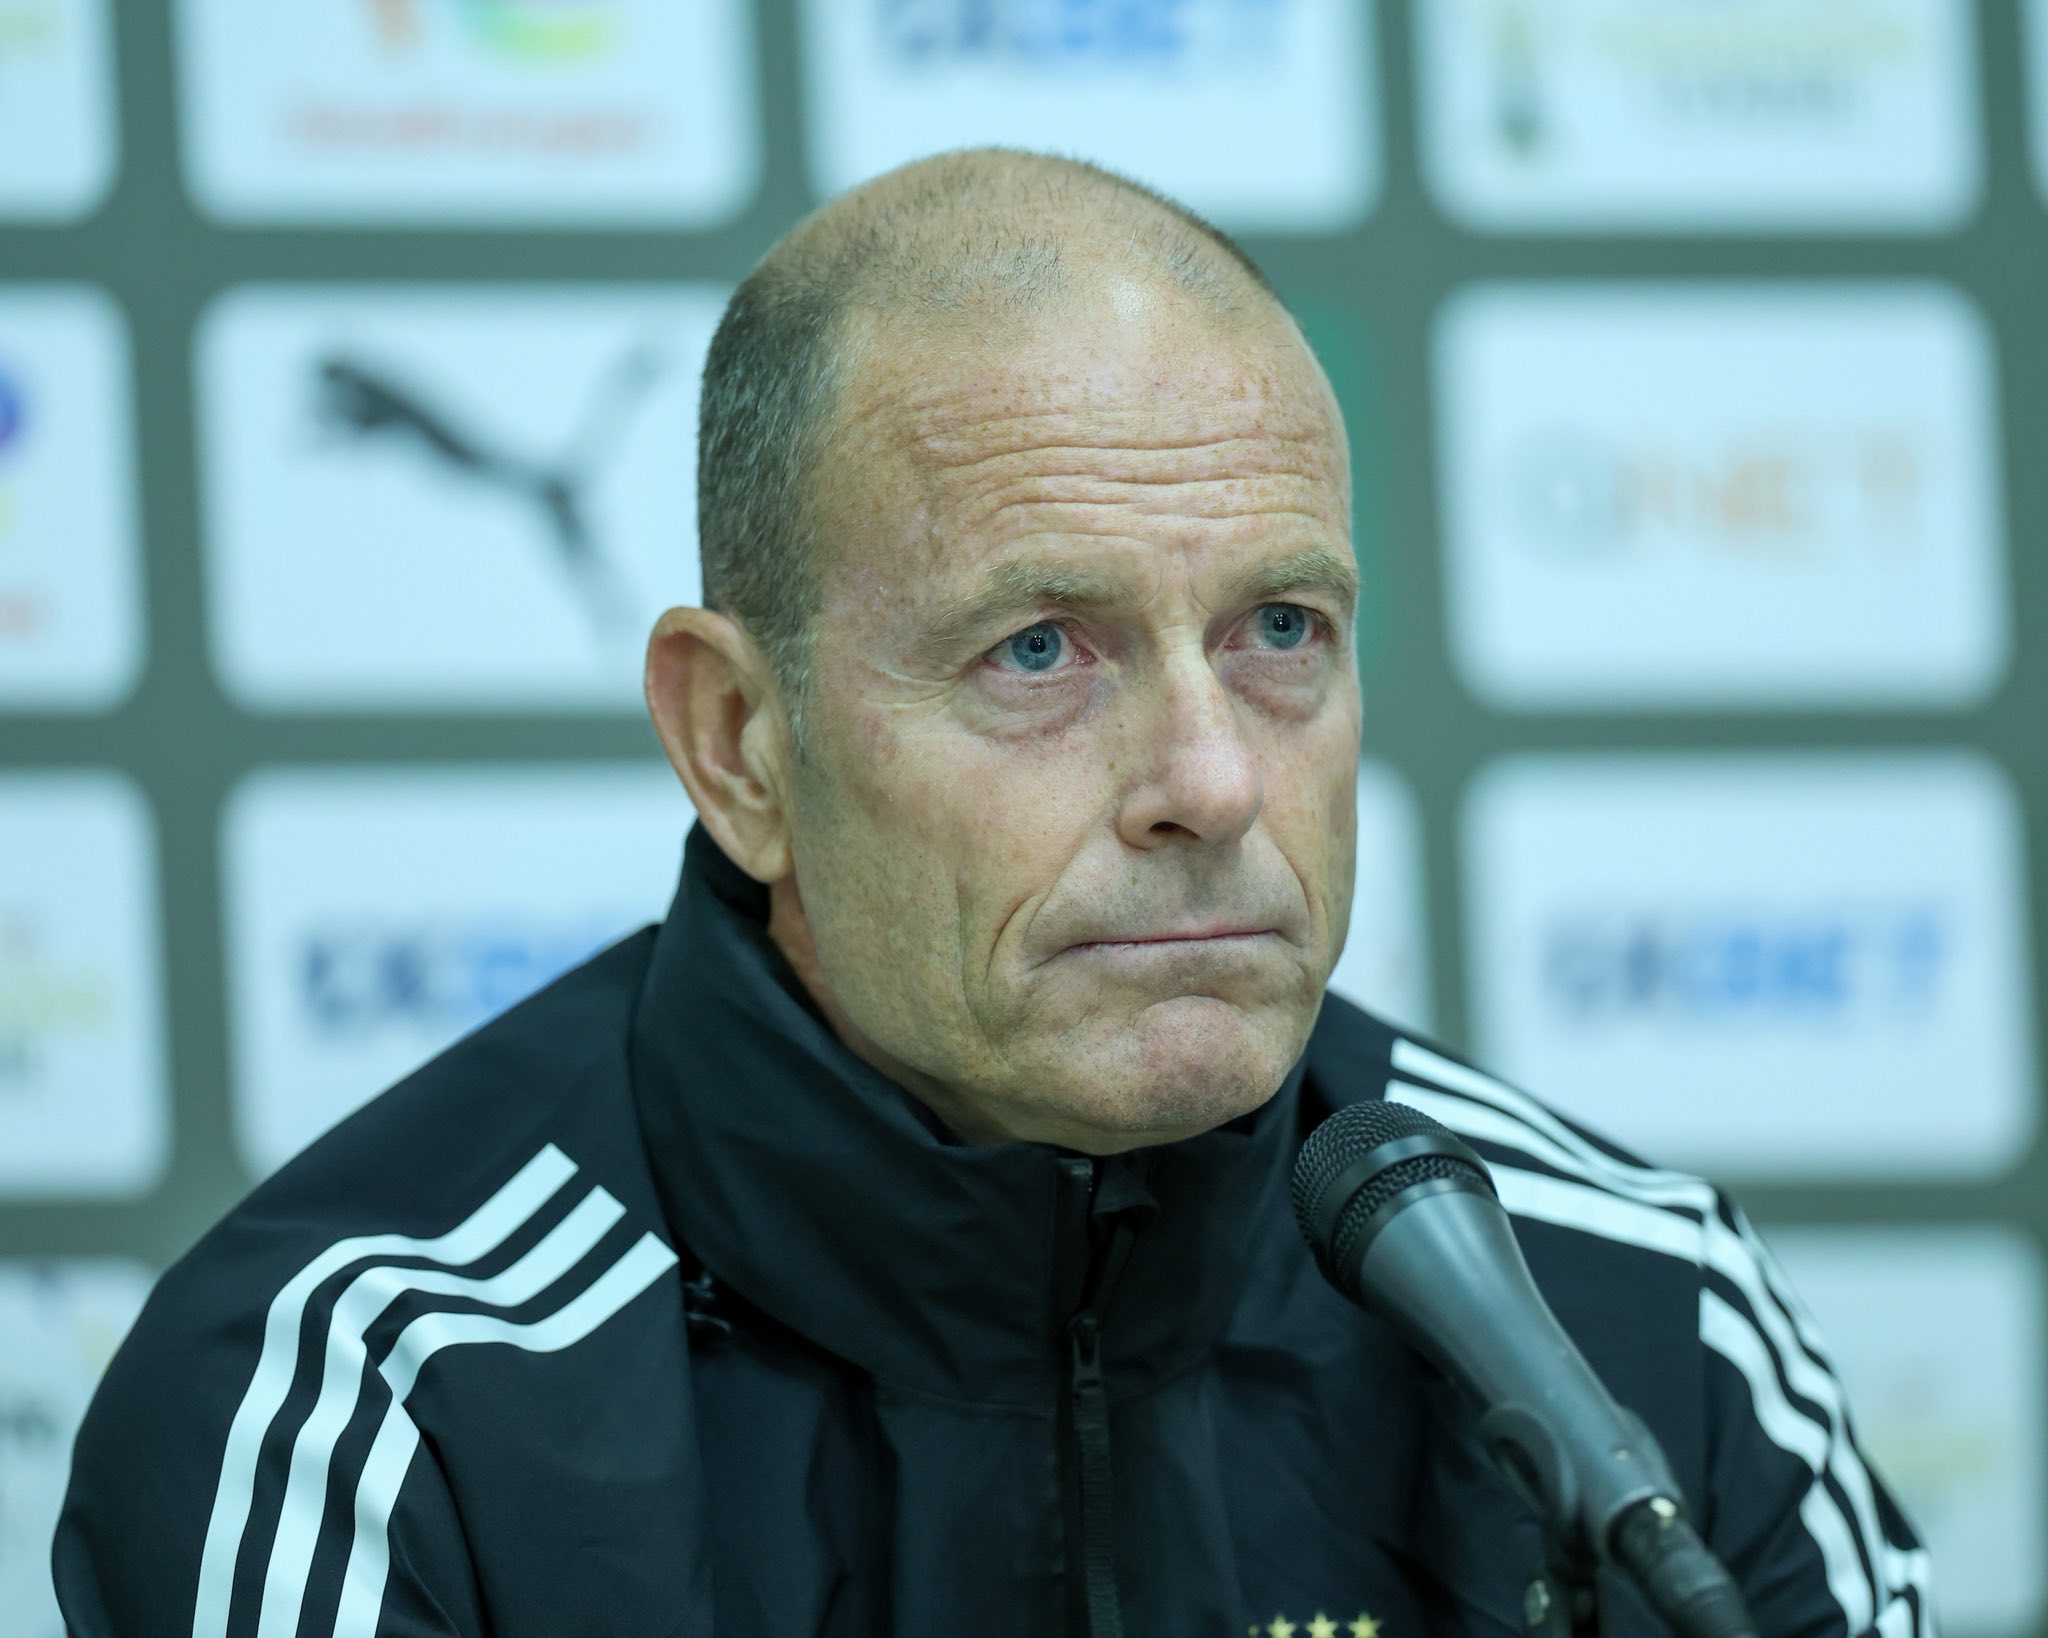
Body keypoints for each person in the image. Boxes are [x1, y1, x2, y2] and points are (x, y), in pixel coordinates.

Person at [55, 149, 1930, 1638]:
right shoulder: (375, 1418)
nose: (1212, 779)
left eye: (1282, 629)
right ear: (740, 744)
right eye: (1040, 648)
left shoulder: (1639, 1322)